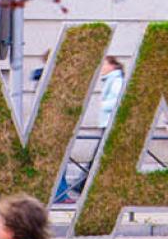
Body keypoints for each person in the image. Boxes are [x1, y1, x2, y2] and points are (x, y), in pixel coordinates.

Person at [53, 57, 124, 203]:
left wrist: (104, 105)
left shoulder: (116, 80)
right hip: (108, 123)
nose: (102, 68)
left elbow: (119, 99)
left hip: (111, 123)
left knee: (100, 157)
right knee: (100, 157)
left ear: (112, 65)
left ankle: (83, 186)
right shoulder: (111, 79)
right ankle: (84, 186)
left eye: (104, 64)